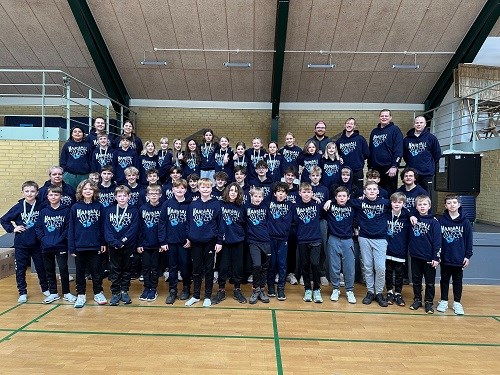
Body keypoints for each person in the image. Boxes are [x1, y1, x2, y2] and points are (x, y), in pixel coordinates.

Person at [1, 181, 49, 303]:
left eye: (32, 191)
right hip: (21, 243)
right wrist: (13, 229)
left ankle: (45, 289)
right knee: (20, 269)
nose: (29, 194)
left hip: (38, 243)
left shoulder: (42, 205)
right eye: (27, 191)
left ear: (37, 193)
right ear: (22, 193)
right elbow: (4, 220)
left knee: (41, 267)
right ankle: (22, 292)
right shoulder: (18, 207)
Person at [350, 181, 391, 307]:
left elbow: (399, 205)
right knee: (367, 266)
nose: (372, 191)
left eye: (374, 189)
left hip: (380, 239)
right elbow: (344, 200)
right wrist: (330, 201)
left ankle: (379, 293)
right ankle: (370, 292)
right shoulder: (360, 202)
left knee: (380, 267)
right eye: (369, 189)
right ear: (365, 192)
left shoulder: (385, 203)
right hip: (364, 238)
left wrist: (413, 215)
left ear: (378, 191)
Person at [68, 179, 107, 308]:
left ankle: (98, 293)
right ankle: (81, 295)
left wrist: (102, 242)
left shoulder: (99, 206)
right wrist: (72, 247)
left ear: (94, 191)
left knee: (96, 271)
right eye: (85, 189)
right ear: (81, 191)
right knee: (80, 272)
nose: (88, 191)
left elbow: (102, 226)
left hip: (95, 244)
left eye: (90, 189)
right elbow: (71, 228)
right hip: (79, 245)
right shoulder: (75, 207)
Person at [184, 178, 223, 307]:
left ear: (211, 189)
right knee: (196, 269)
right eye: (203, 187)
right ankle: (195, 295)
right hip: (195, 242)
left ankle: (207, 296)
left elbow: (220, 224)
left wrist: (219, 241)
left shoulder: (216, 204)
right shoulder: (193, 204)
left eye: (207, 187)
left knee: (209, 270)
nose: (205, 190)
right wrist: (189, 237)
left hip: (210, 242)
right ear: (199, 189)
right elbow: (189, 223)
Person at [35, 185, 76, 304]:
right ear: (47, 196)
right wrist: (44, 239)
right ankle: (53, 292)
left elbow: (68, 228)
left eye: (56, 194)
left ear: (60, 196)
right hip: (46, 246)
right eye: (51, 195)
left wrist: (59, 239)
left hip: (61, 245)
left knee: (63, 269)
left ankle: (67, 292)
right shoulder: (43, 211)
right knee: (49, 269)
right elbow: (38, 228)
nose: (53, 197)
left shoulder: (66, 210)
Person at [437, 195, 473, 315]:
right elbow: (438, 239)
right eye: (449, 203)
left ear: (459, 205)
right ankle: (443, 300)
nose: (452, 205)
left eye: (454, 202)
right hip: (445, 257)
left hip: (459, 257)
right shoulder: (441, 221)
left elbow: (469, 240)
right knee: (444, 280)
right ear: (445, 206)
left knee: (457, 281)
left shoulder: (465, 222)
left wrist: (467, 256)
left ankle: (457, 302)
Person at [104, 185, 140, 306]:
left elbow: (134, 228)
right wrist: (114, 242)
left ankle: (124, 290)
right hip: (113, 246)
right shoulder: (109, 210)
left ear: (129, 197)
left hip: (128, 245)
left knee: (126, 269)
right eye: (119, 196)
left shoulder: (134, 211)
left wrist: (122, 241)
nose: (122, 198)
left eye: (125, 195)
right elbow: (107, 229)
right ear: (115, 197)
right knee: (115, 269)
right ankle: (115, 292)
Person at [159, 179, 192, 304]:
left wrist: (190, 238)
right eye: (177, 188)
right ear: (172, 189)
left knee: (185, 267)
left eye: (182, 188)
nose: (179, 190)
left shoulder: (189, 205)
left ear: (185, 190)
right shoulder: (167, 204)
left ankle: (186, 288)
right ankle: (172, 290)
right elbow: (161, 223)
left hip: (184, 242)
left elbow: (191, 223)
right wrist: (162, 241)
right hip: (170, 242)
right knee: (172, 268)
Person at [213, 182, 247, 304]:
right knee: (223, 267)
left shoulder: (241, 207)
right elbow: (216, 223)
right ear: (227, 192)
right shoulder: (220, 204)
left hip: (237, 241)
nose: (233, 192)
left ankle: (237, 289)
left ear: (239, 194)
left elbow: (244, 224)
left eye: (236, 191)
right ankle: (221, 290)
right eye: (231, 190)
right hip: (223, 242)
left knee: (238, 267)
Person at [408, 195, 441, 313]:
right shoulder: (413, 219)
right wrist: (411, 215)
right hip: (416, 255)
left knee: (430, 282)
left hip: (429, 257)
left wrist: (436, 257)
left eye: (425, 204)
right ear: (416, 207)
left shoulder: (434, 222)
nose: (422, 207)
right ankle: (417, 299)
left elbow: (437, 241)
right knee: (416, 280)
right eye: (420, 205)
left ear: (429, 206)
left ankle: (428, 302)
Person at [324, 186, 357, 304]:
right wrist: (330, 201)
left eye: (344, 196)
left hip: (348, 240)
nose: (342, 198)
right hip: (333, 239)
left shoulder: (352, 206)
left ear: (348, 197)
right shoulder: (330, 206)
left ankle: (349, 290)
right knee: (334, 266)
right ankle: (336, 289)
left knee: (349, 267)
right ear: (335, 197)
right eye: (339, 196)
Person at [294, 182, 324, 303]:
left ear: (312, 193)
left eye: (309, 192)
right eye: (304, 192)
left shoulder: (317, 205)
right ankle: (307, 289)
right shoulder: (295, 206)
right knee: (304, 265)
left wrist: (319, 200)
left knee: (315, 264)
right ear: (300, 193)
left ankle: (316, 289)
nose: (306, 194)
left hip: (316, 239)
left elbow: (331, 205)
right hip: (302, 240)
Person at [267, 182, 293, 301]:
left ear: (286, 194)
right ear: (274, 193)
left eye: (283, 192)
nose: (281, 194)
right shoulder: (268, 204)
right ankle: (271, 286)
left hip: (283, 239)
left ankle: (281, 288)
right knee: (271, 264)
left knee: (282, 264)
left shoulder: (291, 205)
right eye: (278, 192)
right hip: (270, 238)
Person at [368, 109, 403, 195]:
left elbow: (398, 149)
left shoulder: (395, 130)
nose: (384, 117)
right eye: (382, 116)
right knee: (374, 192)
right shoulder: (374, 132)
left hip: (389, 168)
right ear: (379, 117)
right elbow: (371, 149)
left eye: (386, 116)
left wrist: (394, 165)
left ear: (390, 118)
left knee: (389, 193)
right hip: (375, 168)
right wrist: (370, 166)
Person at [245, 187, 271, 304]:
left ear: (263, 197)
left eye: (260, 196)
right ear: (251, 196)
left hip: (265, 241)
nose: (257, 198)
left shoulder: (266, 208)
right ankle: (255, 289)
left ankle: (261, 289)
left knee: (265, 267)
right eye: (255, 196)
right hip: (253, 241)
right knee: (257, 265)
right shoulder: (246, 207)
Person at [137, 184, 162, 302]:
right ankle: (146, 288)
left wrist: (163, 243)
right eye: (151, 194)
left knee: (155, 267)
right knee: (146, 267)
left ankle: (153, 289)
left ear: (160, 195)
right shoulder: (142, 208)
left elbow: (164, 227)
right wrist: (139, 243)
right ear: (147, 195)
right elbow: (140, 228)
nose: (154, 196)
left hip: (158, 244)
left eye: (156, 193)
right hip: (145, 244)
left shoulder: (163, 208)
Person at [385, 192, 411, 307]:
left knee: (400, 274)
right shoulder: (386, 214)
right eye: (394, 202)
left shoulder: (406, 216)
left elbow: (414, 214)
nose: (396, 204)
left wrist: (410, 214)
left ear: (403, 204)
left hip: (400, 250)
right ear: (390, 203)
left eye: (400, 202)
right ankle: (390, 292)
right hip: (387, 249)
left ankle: (398, 293)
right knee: (388, 272)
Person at [403, 116, 441, 193]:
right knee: (412, 195)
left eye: (421, 123)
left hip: (427, 173)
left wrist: (428, 165)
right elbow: (405, 155)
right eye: (417, 123)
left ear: (425, 124)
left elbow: (437, 154)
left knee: (426, 196)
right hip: (412, 174)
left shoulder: (431, 138)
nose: (419, 124)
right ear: (414, 124)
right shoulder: (406, 140)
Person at [336, 117, 370, 192]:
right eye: (347, 123)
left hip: (357, 171)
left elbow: (366, 154)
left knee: (358, 191)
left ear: (354, 126)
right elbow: (336, 154)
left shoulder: (360, 139)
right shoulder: (339, 141)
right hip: (344, 172)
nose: (349, 125)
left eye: (351, 124)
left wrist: (357, 159)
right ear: (344, 125)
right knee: (344, 191)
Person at [60, 125, 92, 189]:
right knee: (69, 193)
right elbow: (63, 159)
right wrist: (64, 172)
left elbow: (91, 159)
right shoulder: (67, 145)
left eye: (79, 132)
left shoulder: (88, 145)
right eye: (75, 131)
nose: (77, 133)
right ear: (71, 134)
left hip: (84, 175)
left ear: (83, 134)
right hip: (69, 175)